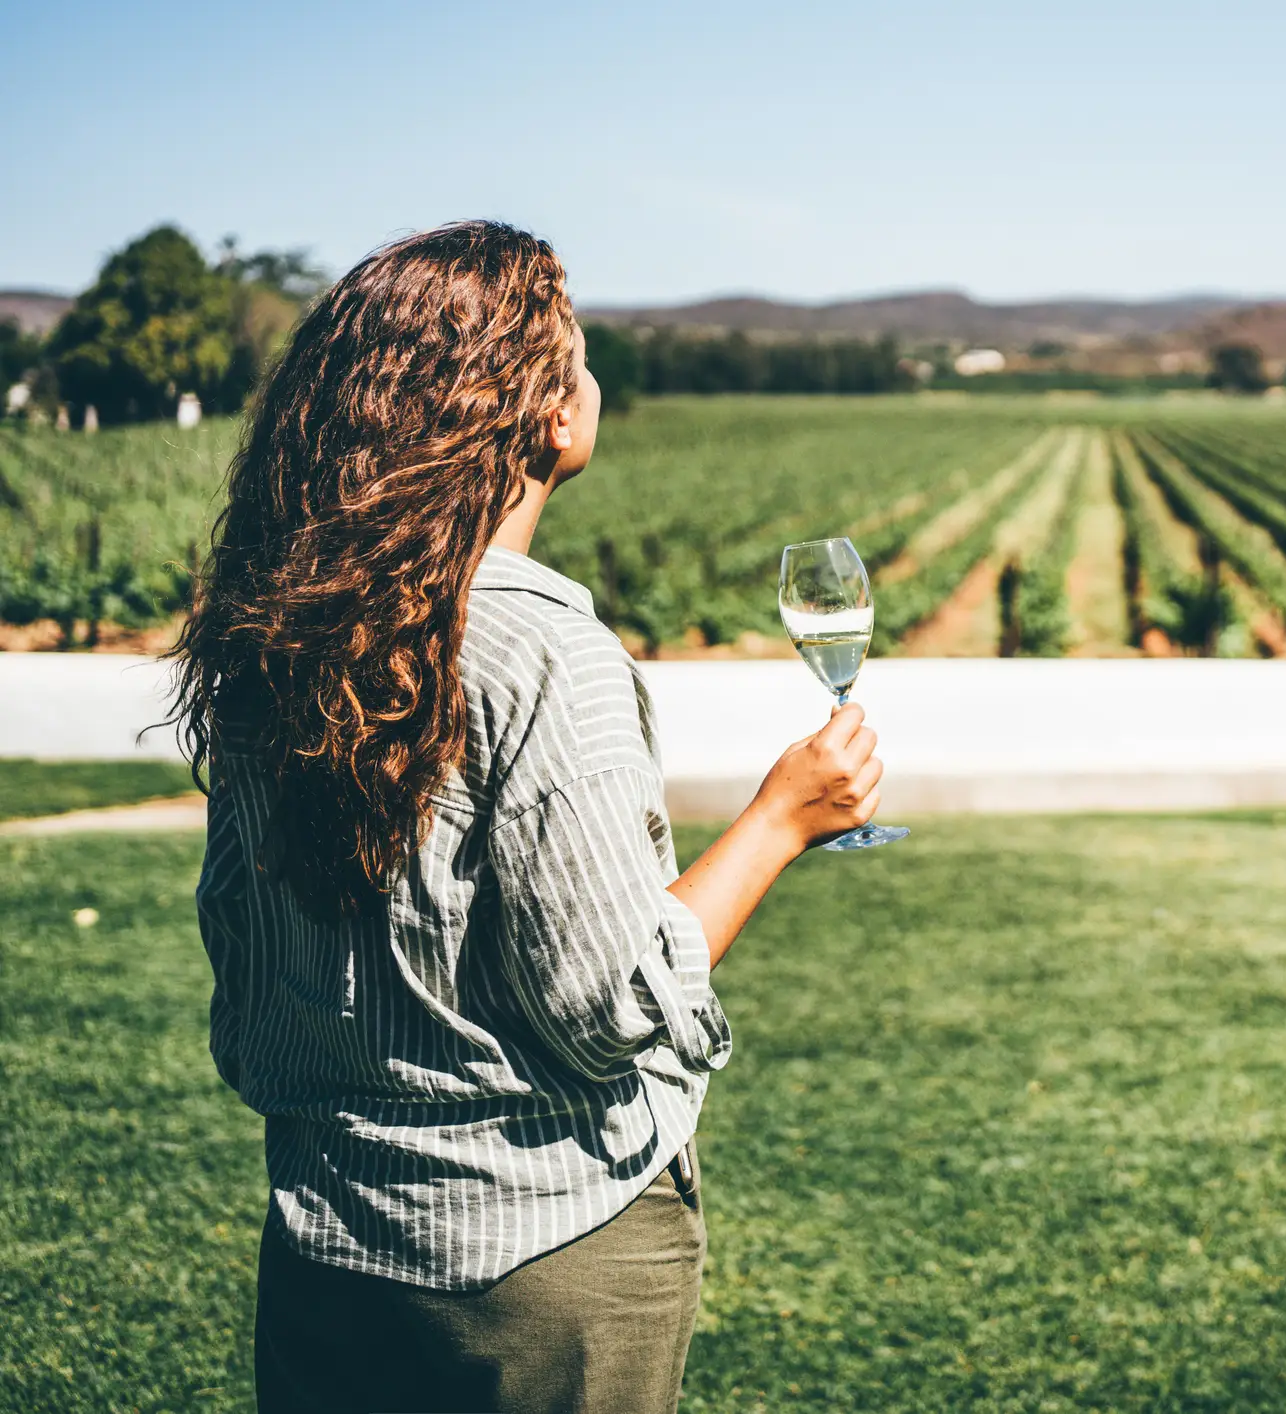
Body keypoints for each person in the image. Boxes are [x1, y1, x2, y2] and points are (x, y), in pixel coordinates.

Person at [170, 221, 883, 1413]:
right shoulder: (548, 651)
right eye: (582, 356)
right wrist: (783, 818)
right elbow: (610, 1004)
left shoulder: (278, 633)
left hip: (326, 1245)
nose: (595, 382)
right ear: (550, 416)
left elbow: (246, 966)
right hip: (546, 1266)